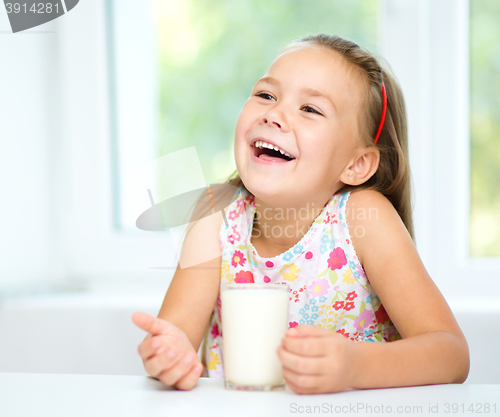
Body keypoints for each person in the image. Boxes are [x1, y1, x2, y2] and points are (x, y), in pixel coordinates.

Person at [132, 33, 469, 394]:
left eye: (310, 109)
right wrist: (169, 357)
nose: (273, 114)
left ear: (357, 164)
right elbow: (176, 336)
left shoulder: (362, 218)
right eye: (266, 95)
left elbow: (451, 354)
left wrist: (355, 366)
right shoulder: (215, 216)